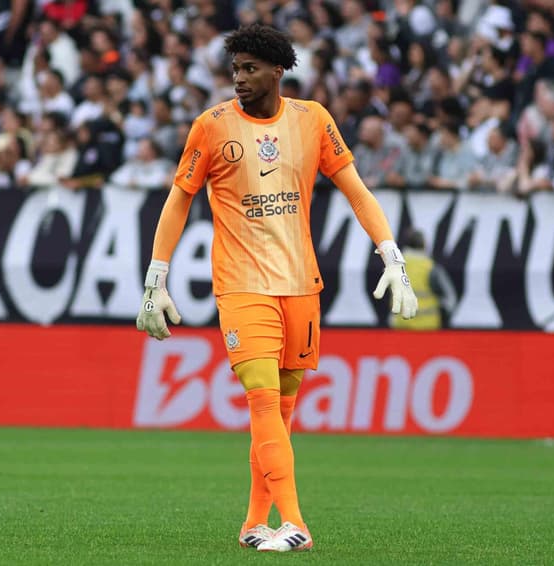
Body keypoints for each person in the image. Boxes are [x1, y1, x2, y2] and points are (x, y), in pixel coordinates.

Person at [134, 24, 417, 553]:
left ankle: (252, 522)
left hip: (300, 284)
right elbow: (179, 199)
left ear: (277, 70)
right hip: (241, 286)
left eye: (249, 69)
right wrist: (157, 276)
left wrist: (392, 256)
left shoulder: (313, 120)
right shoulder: (212, 126)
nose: (239, 79)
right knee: (262, 400)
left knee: (281, 412)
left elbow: (356, 190)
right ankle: (297, 525)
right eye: (235, 69)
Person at [391, 229, 456, 331]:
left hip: (401, 325)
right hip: (427, 327)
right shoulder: (431, 268)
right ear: (424, 245)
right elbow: (450, 299)